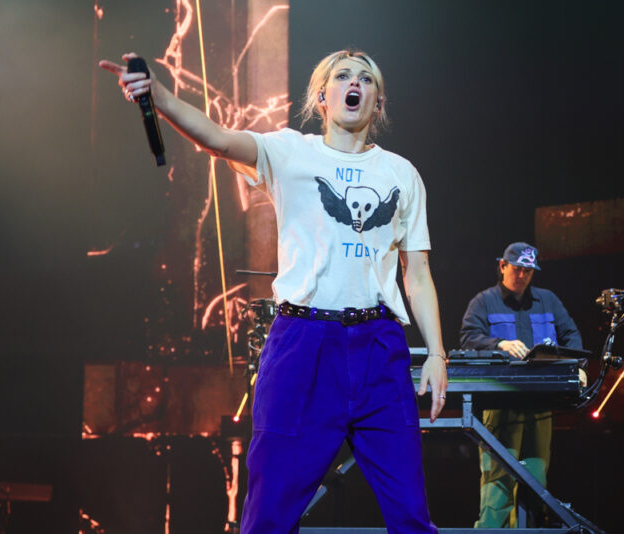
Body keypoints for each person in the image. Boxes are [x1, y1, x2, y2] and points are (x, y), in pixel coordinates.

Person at [100, 50, 448, 533]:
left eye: (366, 79)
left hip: (378, 347)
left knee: (411, 513)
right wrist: (158, 95)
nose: (355, 83)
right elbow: (217, 138)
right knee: (269, 513)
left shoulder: (401, 174)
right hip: (303, 343)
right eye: (342, 76)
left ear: (379, 102)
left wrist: (437, 354)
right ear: (322, 97)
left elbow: (418, 274)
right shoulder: (290, 152)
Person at [459, 242, 582, 528]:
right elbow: (468, 338)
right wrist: (499, 343)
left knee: (536, 480)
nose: (523, 275)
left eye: (529, 271)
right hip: (500, 404)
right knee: (498, 481)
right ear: (502, 266)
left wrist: (579, 367)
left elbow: (571, 336)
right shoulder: (484, 301)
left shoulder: (547, 300)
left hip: (539, 405)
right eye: (518, 269)